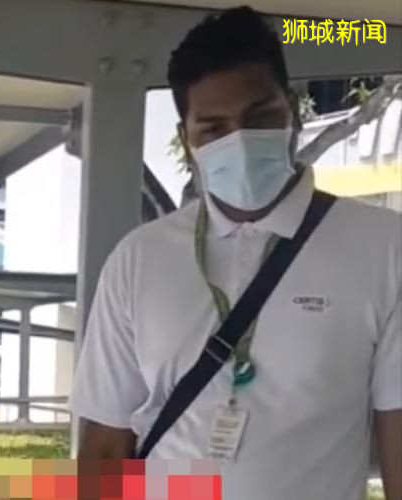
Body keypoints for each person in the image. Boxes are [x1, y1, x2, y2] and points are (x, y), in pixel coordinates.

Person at [71, 7, 401, 500]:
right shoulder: (139, 260)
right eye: (213, 129)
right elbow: (104, 445)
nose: (240, 142)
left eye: (260, 117)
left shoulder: (384, 248)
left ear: (293, 112)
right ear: (187, 140)